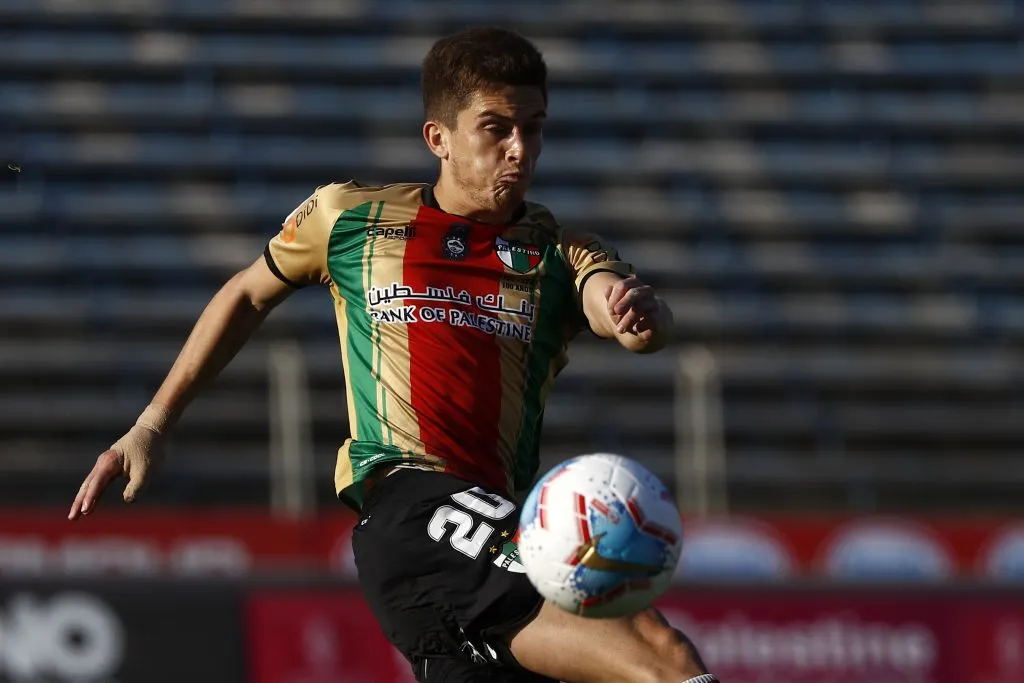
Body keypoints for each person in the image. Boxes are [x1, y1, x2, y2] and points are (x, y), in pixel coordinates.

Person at [68, 26, 718, 683]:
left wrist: (637, 313)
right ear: (438, 137)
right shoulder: (350, 219)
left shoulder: (559, 252)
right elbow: (245, 293)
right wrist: (153, 422)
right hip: (411, 508)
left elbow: (624, 313)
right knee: (661, 654)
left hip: (481, 535)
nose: (520, 151)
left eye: (534, 128)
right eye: (496, 128)